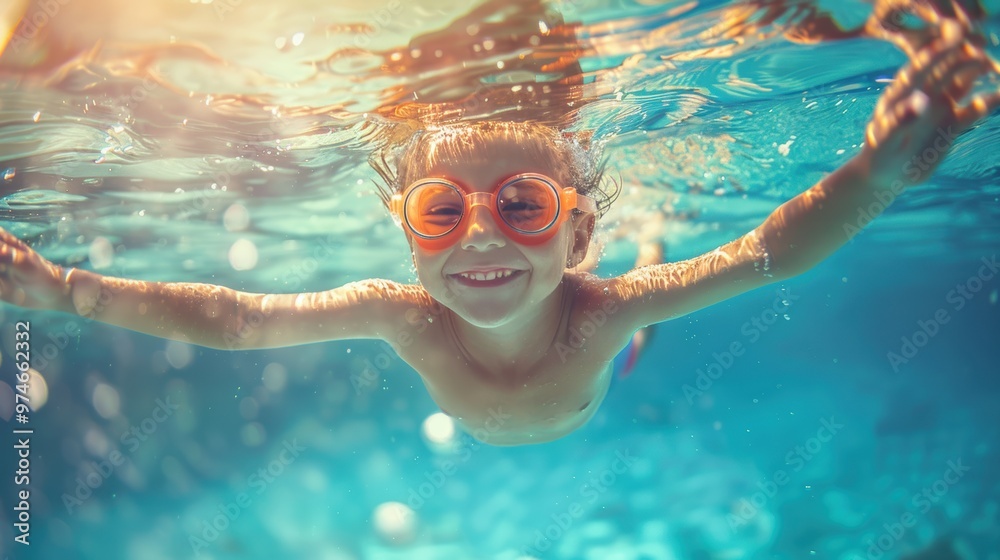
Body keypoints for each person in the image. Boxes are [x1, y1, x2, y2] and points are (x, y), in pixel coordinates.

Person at [1, 12, 997, 446]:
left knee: (648, 305)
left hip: (613, 364)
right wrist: (68, 288)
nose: (479, 236)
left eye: (521, 204)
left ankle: (645, 234)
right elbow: (237, 317)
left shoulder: (603, 314)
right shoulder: (401, 313)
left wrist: (880, 167)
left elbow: (766, 252)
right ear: (408, 236)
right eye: (443, 209)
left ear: (573, 235)